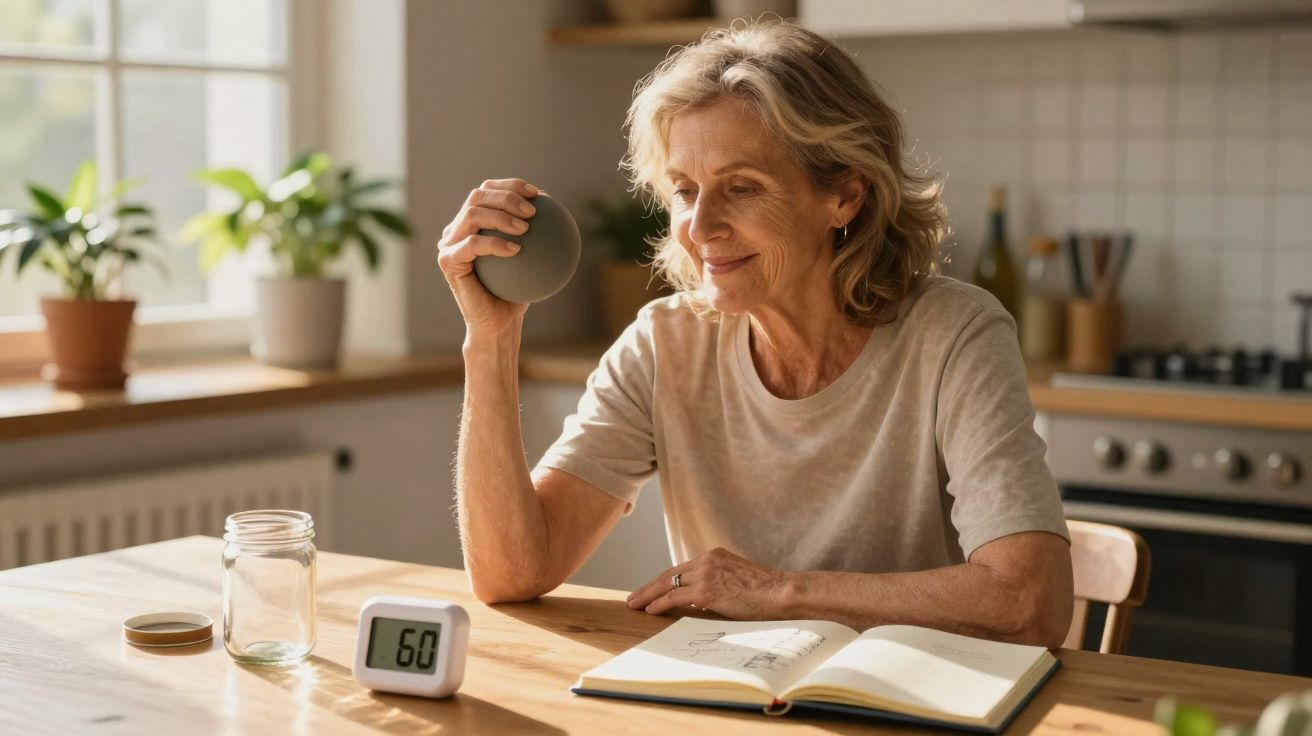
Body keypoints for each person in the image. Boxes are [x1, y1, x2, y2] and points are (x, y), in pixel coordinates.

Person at [436, 19, 1073, 648]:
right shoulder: (665, 344)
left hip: (909, 694)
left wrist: (777, 592)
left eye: (742, 188)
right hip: (732, 693)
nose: (700, 226)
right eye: (685, 190)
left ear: (845, 197)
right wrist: (491, 339)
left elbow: (1029, 602)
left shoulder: (954, 334)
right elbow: (512, 572)